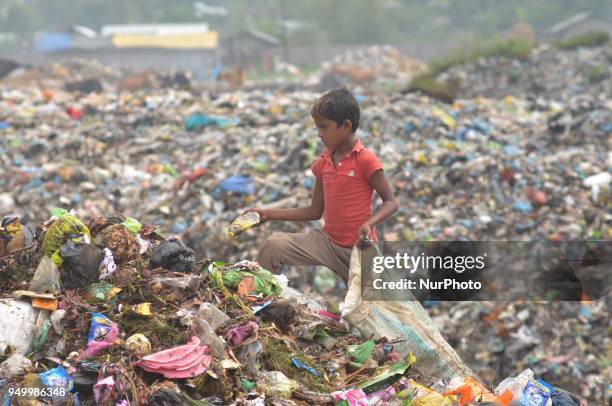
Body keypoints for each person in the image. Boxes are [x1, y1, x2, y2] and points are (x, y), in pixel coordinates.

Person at [249, 87, 399, 283]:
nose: (319, 134)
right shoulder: (324, 163)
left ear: (346, 125)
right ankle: (257, 301)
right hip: (327, 243)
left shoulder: (365, 160)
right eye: (317, 127)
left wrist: (368, 224)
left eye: (324, 127)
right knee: (273, 246)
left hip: (360, 250)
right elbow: (314, 211)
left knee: (372, 309)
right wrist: (268, 214)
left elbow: (391, 202)